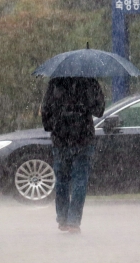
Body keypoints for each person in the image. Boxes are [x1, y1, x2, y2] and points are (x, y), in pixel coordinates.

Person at [41, 77, 105, 234]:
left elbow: (45, 109)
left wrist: (52, 126)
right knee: (80, 180)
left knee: (62, 180)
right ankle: (73, 221)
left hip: (61, 138)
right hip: (83, 138)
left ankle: (62, 219)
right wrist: (83, 107)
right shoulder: (90, 82)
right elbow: (99, 110)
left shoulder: (56, 82)